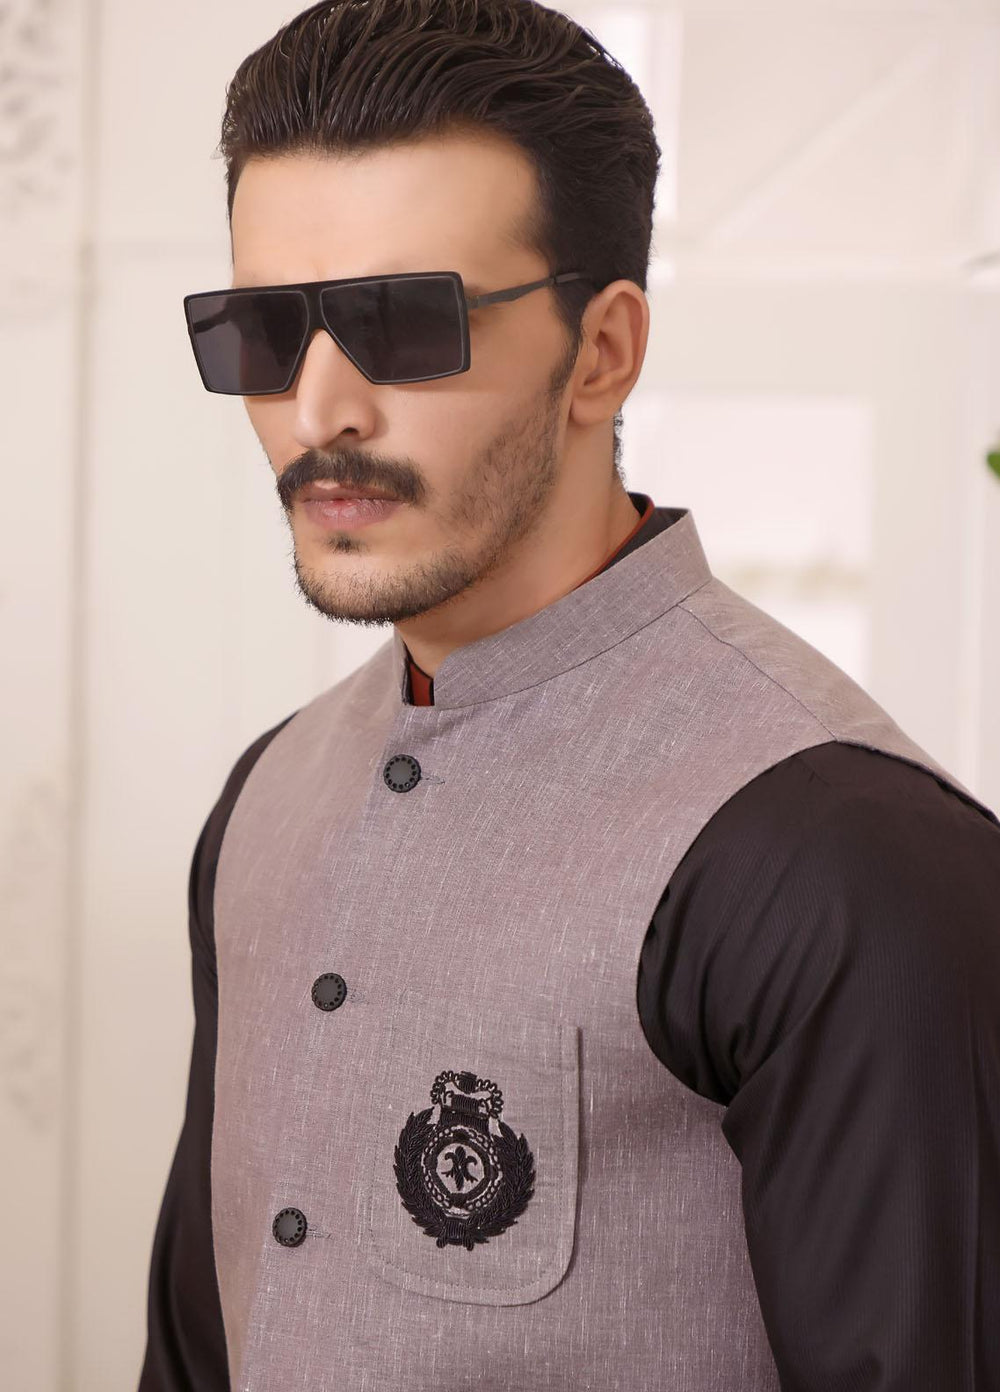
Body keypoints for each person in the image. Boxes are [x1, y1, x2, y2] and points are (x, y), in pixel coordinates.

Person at [138, 2, 1000, 1389]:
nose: (319, 409)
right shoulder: (266, 797)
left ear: (602, 352)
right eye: (263, 331)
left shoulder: (837, 855)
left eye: (402, 323)